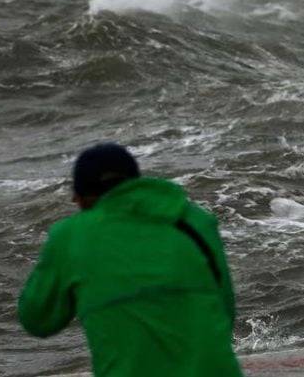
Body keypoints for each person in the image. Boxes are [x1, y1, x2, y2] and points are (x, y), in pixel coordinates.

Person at [18, 143, 242, 376]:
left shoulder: (70, 236)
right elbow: (224, 306)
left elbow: (38, 319)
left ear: (83, 198)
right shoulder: (195, 221)